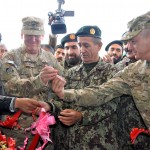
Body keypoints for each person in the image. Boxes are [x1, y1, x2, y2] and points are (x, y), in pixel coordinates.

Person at [52, 11, 150, 135]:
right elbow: (100, 93)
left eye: (134, 41)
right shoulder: (134, 72)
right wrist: (63, 93)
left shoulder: (113, 69)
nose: (128, 47)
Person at [52, 25, 124, 150]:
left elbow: (113, 105)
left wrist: (82, 116)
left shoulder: (112, 72)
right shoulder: (71, 73)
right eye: (80, 45)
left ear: (99, 46)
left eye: (86, 45)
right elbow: (62, 100)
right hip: (73, 141)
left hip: (100, 140)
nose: (82, 50)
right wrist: (50, 106)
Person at [1, 16, 63, 149]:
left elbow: (64, 81)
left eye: (37, 35)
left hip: (44, 130)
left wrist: (60, 82)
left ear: (43, 36)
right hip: (17, 130)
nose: (33, 39)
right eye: (29, 35)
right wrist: (40, 80)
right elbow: (11, 87)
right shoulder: (10, 57)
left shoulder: (50, 58)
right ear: (22, 34)